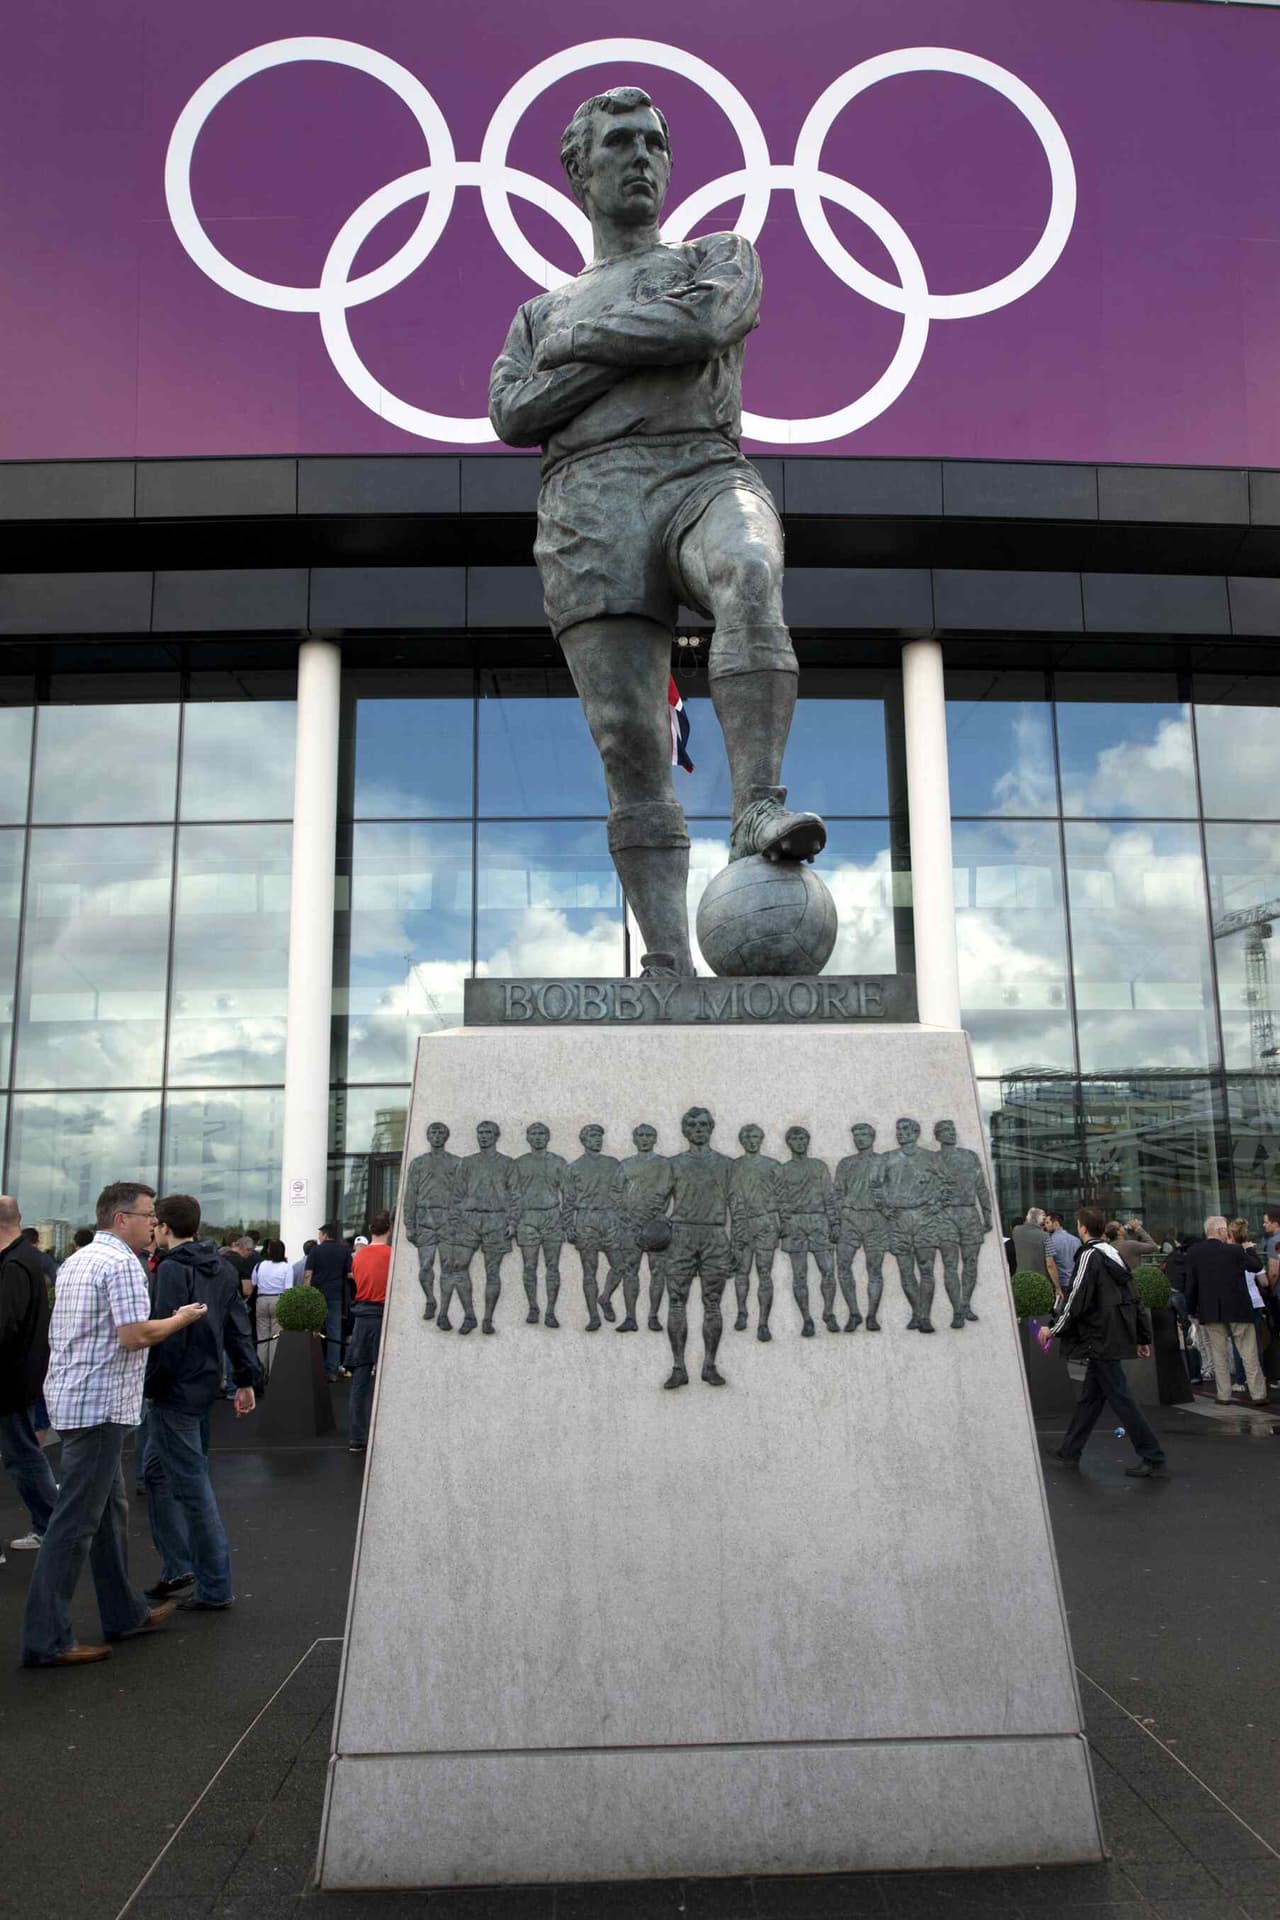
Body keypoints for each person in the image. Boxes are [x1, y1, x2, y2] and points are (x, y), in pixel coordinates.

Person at [489, 85, 824, 979]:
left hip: (701, 468)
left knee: (749, 567)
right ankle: (668, 958)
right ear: (580, 171)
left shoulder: (718, 255)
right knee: (629, 743)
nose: (641, 157)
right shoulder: (534, 314)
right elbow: (514, 413)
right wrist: (637, 344)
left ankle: (758, 805)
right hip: (585, 508)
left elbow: (709, 319)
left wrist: (581, 345)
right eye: (620, 144)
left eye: (654, 144)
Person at [20, 1182, 207, 1668]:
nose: (154, 1224)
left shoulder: (79, 1259)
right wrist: (180, 1319)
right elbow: (134, 1335)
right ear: (122, 1219)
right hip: (100, 1409)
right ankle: (47, 1639)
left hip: (75, 1402)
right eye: (148, 1215)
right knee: (75, 1524)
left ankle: (124, 1613)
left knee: (107, 1514)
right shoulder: (123, 1263)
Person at [142, 1194, 261, 1610]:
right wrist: (245, 1380)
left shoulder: (172, 1269)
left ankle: (213, 1587)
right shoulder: (223, 1268)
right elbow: (237, 1327)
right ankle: (179, 1566)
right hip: (203, 1386)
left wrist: (152, 1385)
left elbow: (166, 1334)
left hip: (174, 1390)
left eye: (155, 1223)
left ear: (163, 1227)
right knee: (157, 1473)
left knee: (192, 1487)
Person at [1038, 1206, 1167, 1478]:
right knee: (1090, 1399)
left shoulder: (1088, 1256)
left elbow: (1076, 1298)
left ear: (1083, 1228)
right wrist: (1141, 1336)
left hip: (1099, 1337)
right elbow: (1134, 1296)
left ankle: (1152, 1456)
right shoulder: (1114, 1254)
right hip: (1114, 1334)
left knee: (1122, 1399)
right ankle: (1070, 1450)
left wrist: (1053, 1328)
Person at [0, 1196, 60, 1554]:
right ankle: (50, 1524)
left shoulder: (13, 1265)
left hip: (10, 1379)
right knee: (24, 1453)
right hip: (20, 1376)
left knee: (23, 1455)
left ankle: (50, 1525)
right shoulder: (26, 1259)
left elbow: (5, 1326)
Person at [1183, 1217, 1268, 1406]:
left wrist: (1190, 1309)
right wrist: (1250, 1248)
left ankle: (1223, 1395)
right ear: (1222, 1231)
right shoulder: (1235, 1250)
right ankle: (1258, 1394)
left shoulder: (1195, 1252)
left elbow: (1191, 1284)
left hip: (1210, 1310)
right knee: (1248, 1352)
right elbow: (1256, 1266)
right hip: (1238, 1308)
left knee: (1218, 1353)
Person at [776, 1126, 840, 1335]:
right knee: (800, 1275)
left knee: (828, 1271)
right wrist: (784, 1221)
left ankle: (829, 1313)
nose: (800, 1142)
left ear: (808, 1141)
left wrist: (834, 1223)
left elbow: (829, 1196)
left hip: (819, 1220)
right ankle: (806, 1319)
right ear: (789, 1143)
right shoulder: (783, 1169)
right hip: (795, 1223)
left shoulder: (819, 1166)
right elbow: (780, 1198)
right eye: (795, 1139)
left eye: (803, 1138)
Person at [401, 1122, 459, 1321]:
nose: (436, 1136)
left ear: (446, 1136)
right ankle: (430, 1299)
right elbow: (410, 1196)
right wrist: (409, 1225)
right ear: (427, 1136)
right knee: (425, 1265)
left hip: (448, 1221)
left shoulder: (456, 1163)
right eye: (433, 1132)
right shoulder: (418, 1163)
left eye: (441, 1132)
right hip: (424, 1219)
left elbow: (463, 1194)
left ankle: (444, 1310)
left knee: (448, 1267)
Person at [512, 1122, 568, 1328]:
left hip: (552, 1216)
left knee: (553, 1266)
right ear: (527, 1137)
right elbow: (513, 1195)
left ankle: (551, 1311)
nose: (537, 1137)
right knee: (529, 1266)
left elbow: (568, 1194)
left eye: (542, 1133)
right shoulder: (518, 1163)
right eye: (533, 1134)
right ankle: (533, 1306)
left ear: (548, 1137)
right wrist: (513, 1220)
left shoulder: (559, 1162)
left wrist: (566, 1220)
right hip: (527, 1218)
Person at [729, 1123, 781, 1340]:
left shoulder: (773, 1165)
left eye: (757, 1137)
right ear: (742, 1140)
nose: (752, 1141)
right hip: (742, 1222)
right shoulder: (733, 1166)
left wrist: (780, 1223)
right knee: (741, 1271)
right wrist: (737, 1223)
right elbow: (730, 1196)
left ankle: (763, 1323)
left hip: (766, 1222)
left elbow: (782, 1195)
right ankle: (742, 1311)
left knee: (764, 1272)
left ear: (762, 1139)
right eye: (748, 1137)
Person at [834, 1123, 885, 1335]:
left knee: (874, 1268)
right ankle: (854, 1312)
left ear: (873, 1137)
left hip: (875, 1219)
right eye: (857, 1135)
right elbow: (837, 1192)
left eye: (864, 1134)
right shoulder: (846, 1163)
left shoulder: (883, 1161)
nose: (860, 1138)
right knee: (843, 1266)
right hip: (850, 1219)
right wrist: (838, 1220)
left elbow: (891, 1190)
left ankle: (872, 1315)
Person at [347, 1210, 392, 1455]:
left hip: (362, 1318)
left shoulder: (359, 1257)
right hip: (383, 1315)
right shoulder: (393, 1256)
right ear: (390, 1229)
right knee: (390, 1379)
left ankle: (357, 1436)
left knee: (360, 1380)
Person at [303, 1223, 353, 1380]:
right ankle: (332, 1370)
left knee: (314, 1331)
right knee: (334, 1332)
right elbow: (351, 1273)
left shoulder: (315, 1250)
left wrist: (306, 1294)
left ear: (325, 1235)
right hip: (335, 1296)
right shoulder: (344, 1251)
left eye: (320, 1234)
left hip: (317, 1295)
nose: (318, 1237)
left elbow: (308, 1274)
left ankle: (313, 1367)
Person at [250, 1238, 293, 1379]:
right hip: (278, 1300)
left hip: (261, 1300)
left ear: (268, 1251)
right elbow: (288, 1289)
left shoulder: (260, 1265)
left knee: (262, 1338)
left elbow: (253, 1282)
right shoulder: (286, 1267)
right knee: (276, 1337)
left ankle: (261, 1373)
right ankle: (274, 1374)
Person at [1043, 1211, 1081, 1304]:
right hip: (1076, 1282)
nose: (1045, 1226)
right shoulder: (1076, 1240)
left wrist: (1057, 1287)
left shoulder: (1050, 1241)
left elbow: (1050, 1265)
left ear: (1056, 1223)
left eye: (1048, 1223)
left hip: (1061, 1283)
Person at [1012, 1208, 1053, 1290]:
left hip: (1020, 1280)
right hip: (1039, 1282)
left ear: (1027, 1218)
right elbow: (1050, 1264)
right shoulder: (1045, 1236)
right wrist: (1057, 1287)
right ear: (1041, 1222)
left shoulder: (1016, 1231)